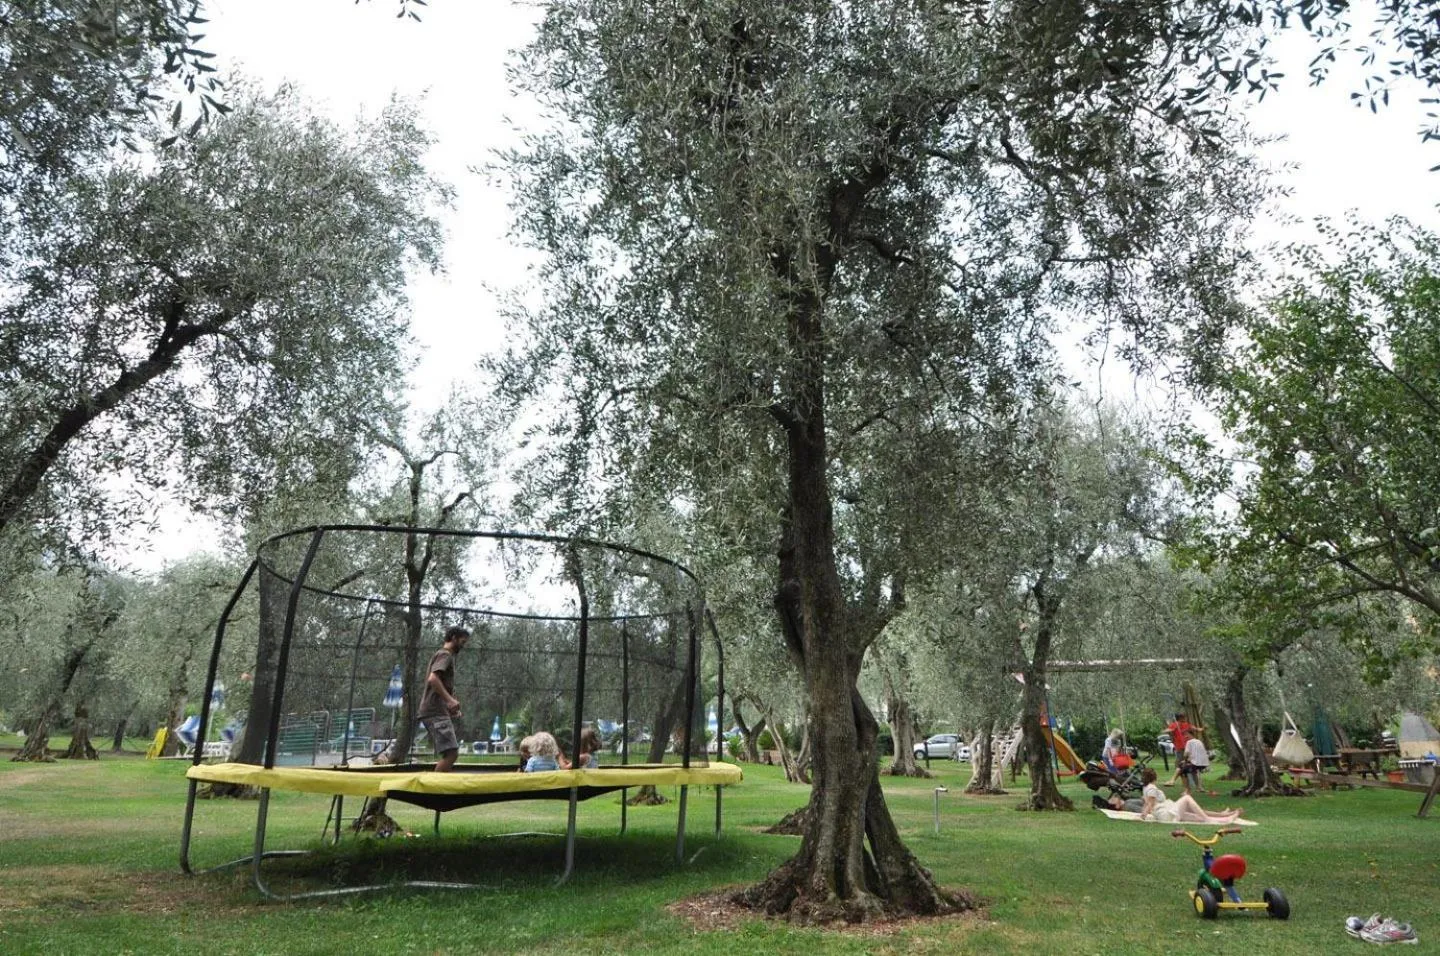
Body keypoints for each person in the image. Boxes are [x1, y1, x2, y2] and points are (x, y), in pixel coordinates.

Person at [417, 625, 471, 772]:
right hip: (434, 711)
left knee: (450, 753)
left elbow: (439, 682)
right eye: (462, 642)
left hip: (435, 710)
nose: (463, 646)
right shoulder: (445, 655)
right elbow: (433, 679)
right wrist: (450, 700)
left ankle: (435, 788)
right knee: (452, 754)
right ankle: (432, 791)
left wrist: (450, 706)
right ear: (453, 638)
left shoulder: (442, 655)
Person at [1139, 768, 1242, 824]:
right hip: (1165, 814)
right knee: (1187, 798)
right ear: (1154, 777)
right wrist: (1144, 814)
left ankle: (1224, 817)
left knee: (1197, 814)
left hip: (1167, 812)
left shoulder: (1146, 788)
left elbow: (1147, 804)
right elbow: (1150, 804)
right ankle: (1209, 819)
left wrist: (1143, 814)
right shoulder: (1151, 788)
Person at [1165, 712, 1204, 785]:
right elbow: (1197, 729)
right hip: (1184, 748)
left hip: (1183, 748)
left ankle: (1173, 781)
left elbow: (1196, 729)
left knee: (1181, 766)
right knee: (1188, 766)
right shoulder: (1176, 725)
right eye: (1184, 717)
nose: (1185, 718)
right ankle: (1197, 786)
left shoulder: (1183, 724)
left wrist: (1168, 730)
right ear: (1180, 718)